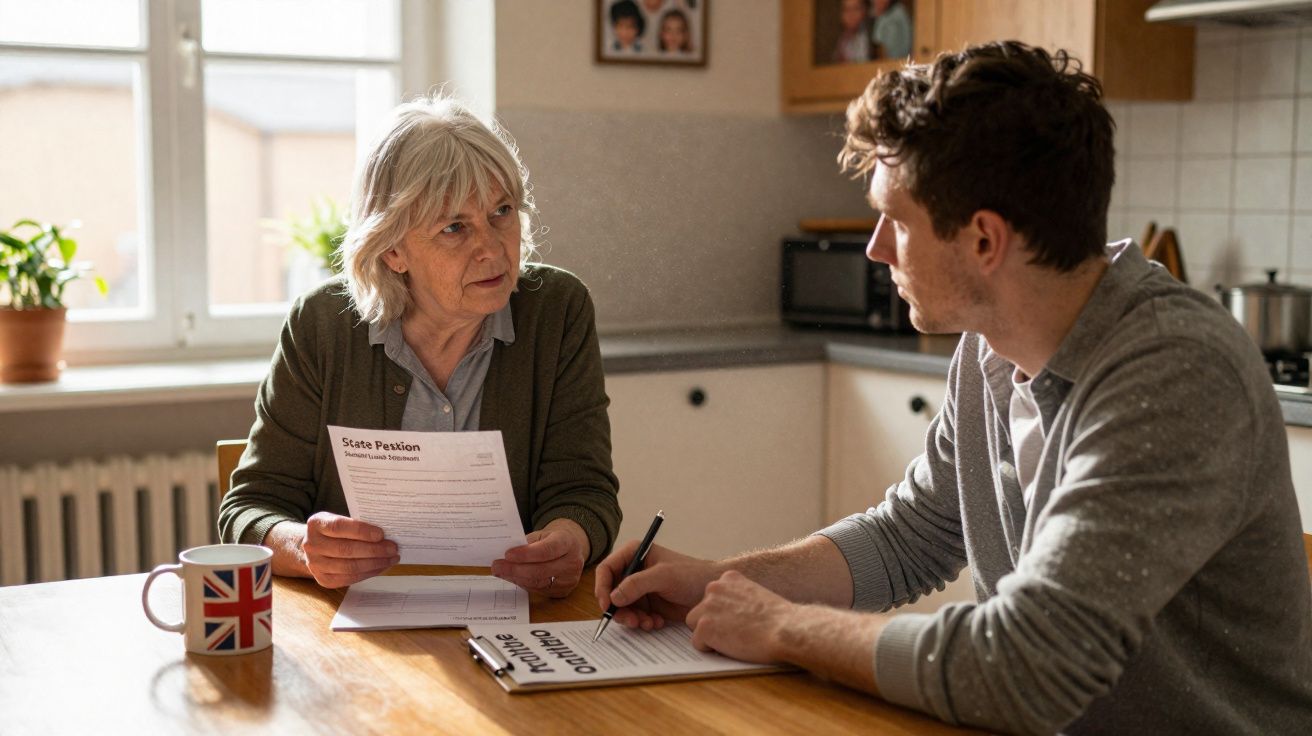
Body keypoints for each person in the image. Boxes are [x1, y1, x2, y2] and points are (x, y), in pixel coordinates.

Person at [595, 42, 1312, 734]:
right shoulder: (989, 346)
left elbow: (1030, 666)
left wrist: (782, 626)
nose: (875, 248)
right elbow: (911, 537)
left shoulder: (1173, 372)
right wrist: (716, 580)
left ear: (984, 241)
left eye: (895, 220)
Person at [219, 95, 621, 597]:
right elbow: (249, 509)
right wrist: (304, 546)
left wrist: (571, 537)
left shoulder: (557, 311)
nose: (494, 248)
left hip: (514, 618)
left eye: (502, 212)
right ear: (392, 249)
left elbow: (585, 492)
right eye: (455, 227)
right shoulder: (321, 326)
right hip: (356, 629)